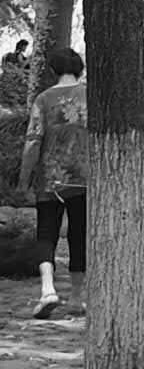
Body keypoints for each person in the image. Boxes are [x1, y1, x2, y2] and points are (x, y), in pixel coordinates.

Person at [19, 46, 87, 320]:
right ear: (80, 68)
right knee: (79, 234)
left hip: (50, 178)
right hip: (84, 178)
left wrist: (24, 178)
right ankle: (76, 297)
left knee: (46, 233)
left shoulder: (43, 100)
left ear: (52, 70)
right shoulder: (92, 96)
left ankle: (48, 290)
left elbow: (33, 140)